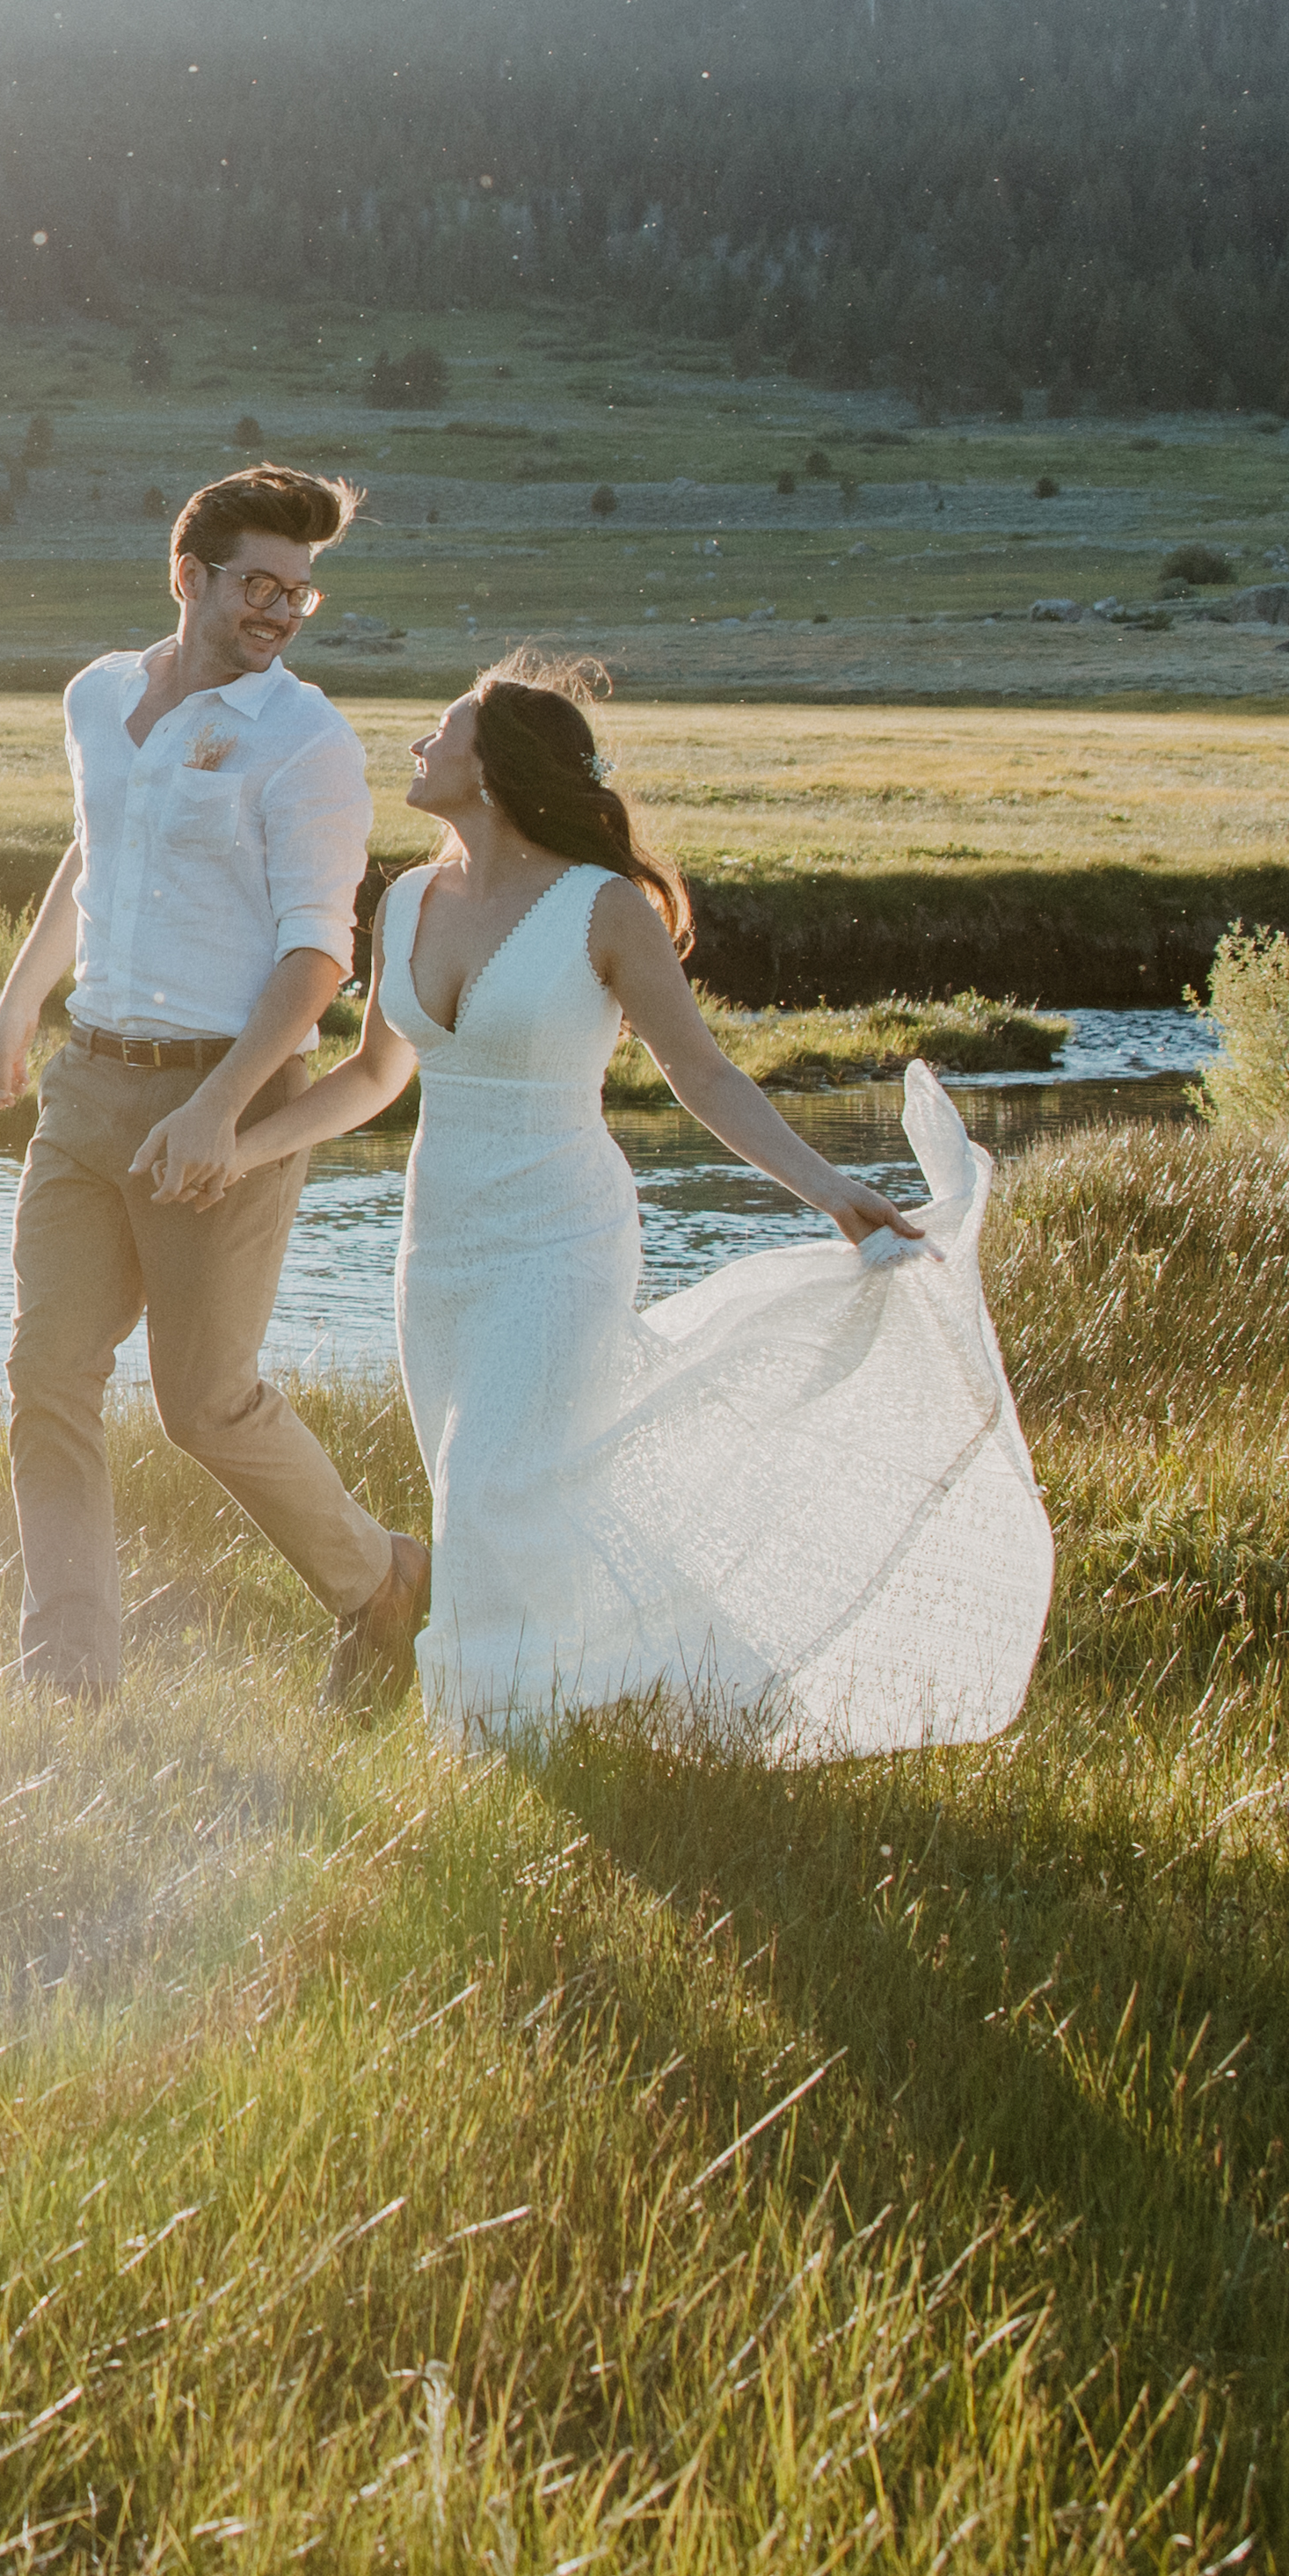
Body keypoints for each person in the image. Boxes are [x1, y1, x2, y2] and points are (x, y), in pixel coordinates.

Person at [196, 656, 1054, 1758]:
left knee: (492, 1481)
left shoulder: (603, 908)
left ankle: (495, 1748)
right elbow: (372, 1078)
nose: (419, 746)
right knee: (481, 1502)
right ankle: (560, 1707)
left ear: (497, 769)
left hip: (562, 1239)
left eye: (443, 729)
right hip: (439, 1248)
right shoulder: (406, 896)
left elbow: (705, 1076)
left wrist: (831, 1188)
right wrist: (239, 1147)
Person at [0, 462, 433, 1704]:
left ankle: (381, 1584)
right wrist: (16, 1006)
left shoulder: (306, 742)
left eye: (300, 592)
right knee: (46, 1374)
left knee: (203, 1401)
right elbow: (93, 850)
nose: (279, 610)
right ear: (188, 577)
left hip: (226, 1095)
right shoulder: (96, 695)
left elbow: (317, 952)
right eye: (257, 585)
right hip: (88, 1083)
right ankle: (66, 1674)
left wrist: (220, 1107)